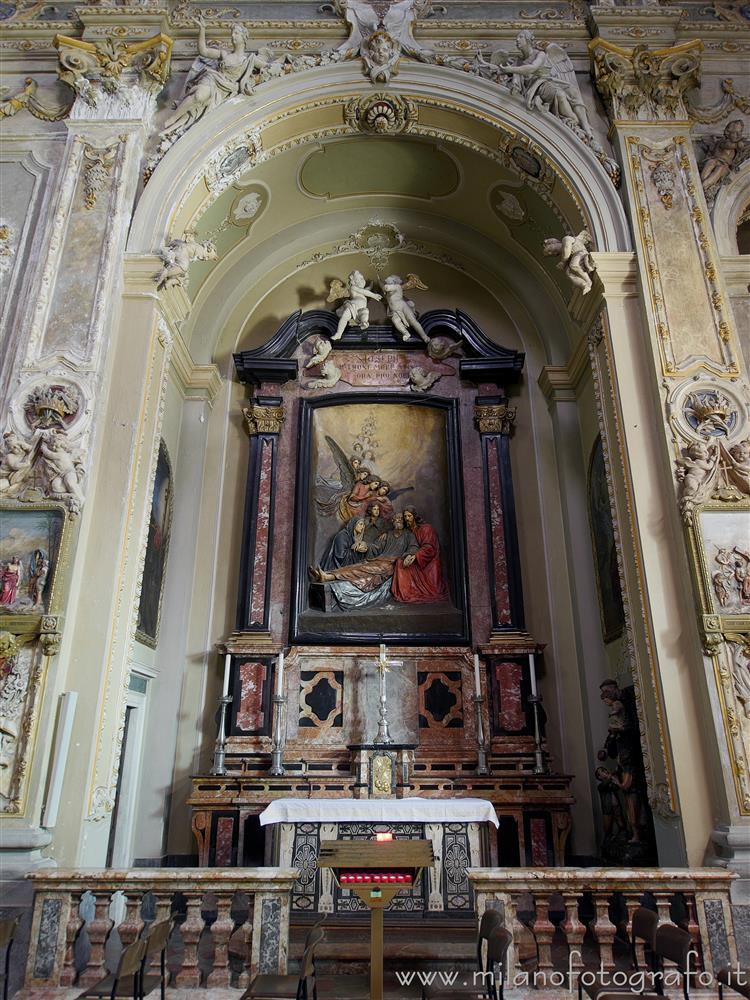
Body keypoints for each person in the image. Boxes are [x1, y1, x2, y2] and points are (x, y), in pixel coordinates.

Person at [391, 506, 449, 603]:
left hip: (428, 564)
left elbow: (429, 548)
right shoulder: (409, 532)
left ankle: (409, 593)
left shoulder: (426, 528)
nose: (407, 518)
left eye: (409, 516)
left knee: (402, 564)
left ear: (414, 516)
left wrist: (414, 556)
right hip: (417, 560)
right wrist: (408, 556)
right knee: (400, 562)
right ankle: (406, 593)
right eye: (405, 516)